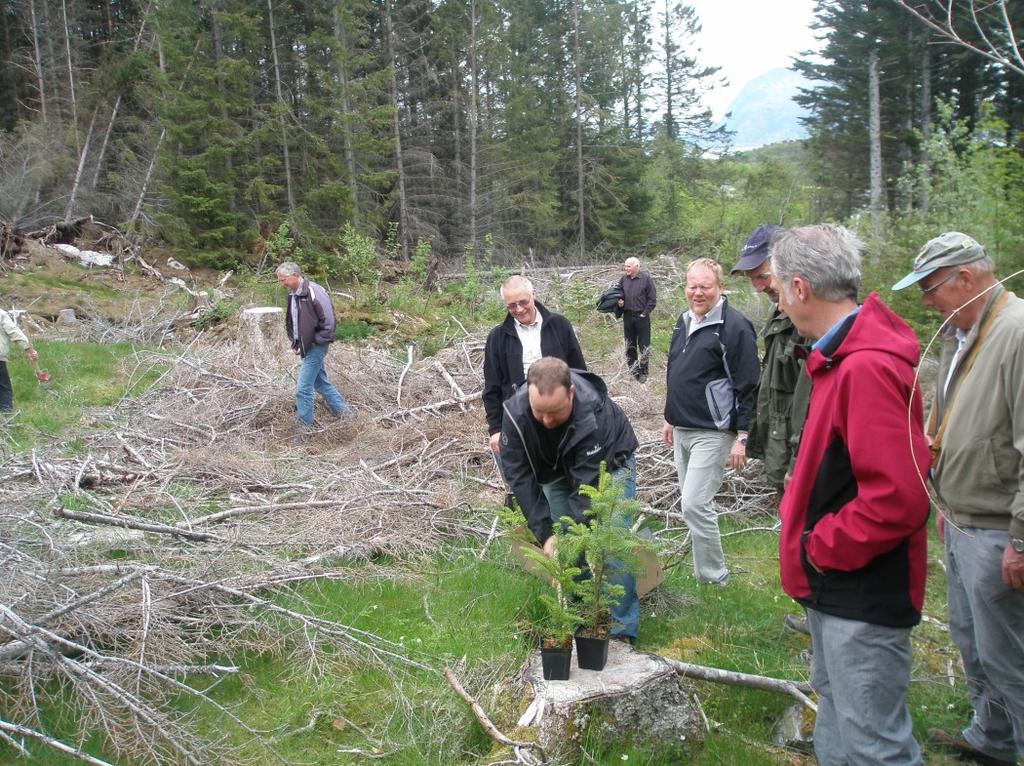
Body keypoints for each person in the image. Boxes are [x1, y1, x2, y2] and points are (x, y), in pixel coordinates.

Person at [773, 224, 931, 766]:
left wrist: (818, 546)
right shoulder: (837, 359)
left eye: (774, 288)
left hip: (861, 591)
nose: (776, 300)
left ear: (799, 289)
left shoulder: (865, 366)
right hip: (834, 588)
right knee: (839, 719)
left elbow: (897, 499)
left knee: (875, 747)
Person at [892, 232, 1024, 766]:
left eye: (931, 288)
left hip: (999, 528)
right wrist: (947, 503)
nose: (926, 301)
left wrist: (1021, 537)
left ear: (965, 278)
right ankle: (991, 737)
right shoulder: (962, 330)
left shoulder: (1015, 332)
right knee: (972, 642)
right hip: (965, 517)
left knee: (1009, 655)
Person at [500, 357, 640, 642]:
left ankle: (621, 631)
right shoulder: (514, 414)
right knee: (565, 546)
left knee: (610, 540)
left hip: (610, 466)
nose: (547, 421)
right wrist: (545, 534)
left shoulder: (592, 412)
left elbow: (586, 487)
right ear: (528, 394)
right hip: (555, 472)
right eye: (540, 413)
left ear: (571, 394)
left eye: (555, 412)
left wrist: (567, 534)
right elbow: (521, 478)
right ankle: (582, 619)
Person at [733, 224, 813, 636]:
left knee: (811, 535)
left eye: (762, 275)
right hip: (784, 446)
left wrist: (799, 462)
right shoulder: (782, 311)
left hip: (801, 453)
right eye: (753, 279)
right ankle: (815, 615)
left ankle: (823, 630)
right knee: (797, 535)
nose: (760, 285)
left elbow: (813, 400)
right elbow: (773, 387)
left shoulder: (808, 317)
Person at [661, 258, 759, 587]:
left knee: (693, 504)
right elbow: (674, 371)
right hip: (682, 428)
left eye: (705, 286)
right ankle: (702, 573)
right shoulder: (683, 320)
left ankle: (715, 579)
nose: (697, 293)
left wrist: (742, 435)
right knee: (693, 505)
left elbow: (749, 385)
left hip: (714, 433)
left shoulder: (734, 327)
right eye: (692, 286)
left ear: (720, 287)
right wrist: (669, 417)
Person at [483, 276, 585, 454]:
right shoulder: (497, 337)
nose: (519, 309)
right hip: (519, 418)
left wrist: (584, 412)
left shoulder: (560, 325)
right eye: (512, 306)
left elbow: (580, 371)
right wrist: (495, 429)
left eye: (523, 302)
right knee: (525, 472)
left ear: (533, 295)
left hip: (562, 412)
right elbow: (492, 387)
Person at [276, 262, 350, 429]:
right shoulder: (293, 293)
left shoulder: (313, 291)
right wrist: (296, 341)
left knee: (302, 390)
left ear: (295, 275)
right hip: (306, 345)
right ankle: (347, 416)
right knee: (321, 384)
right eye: (280, 281)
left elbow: (329, 322)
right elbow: (295, 321)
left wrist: (314, 342)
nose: (282, 284)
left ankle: (303, 432)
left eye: (284, 280)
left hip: (316, 346)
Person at [617, 257, 657, 382]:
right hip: (628, 316)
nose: (626, 269)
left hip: (642, 317)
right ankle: (634, 372)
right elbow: (618, 293)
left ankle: (644, 373)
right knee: (630, 345)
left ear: (636, 266)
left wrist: (644, 314)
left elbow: (652, 299)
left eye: (628, 266)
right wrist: (619, 302)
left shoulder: (646, 279)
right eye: (625, 266)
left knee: (644, 346)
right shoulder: (623, 279)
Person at [0, 309, 39, 412]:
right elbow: (14, 332)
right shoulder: (1, 314)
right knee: (3, 388)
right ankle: (6, 414)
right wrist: (28, 349)